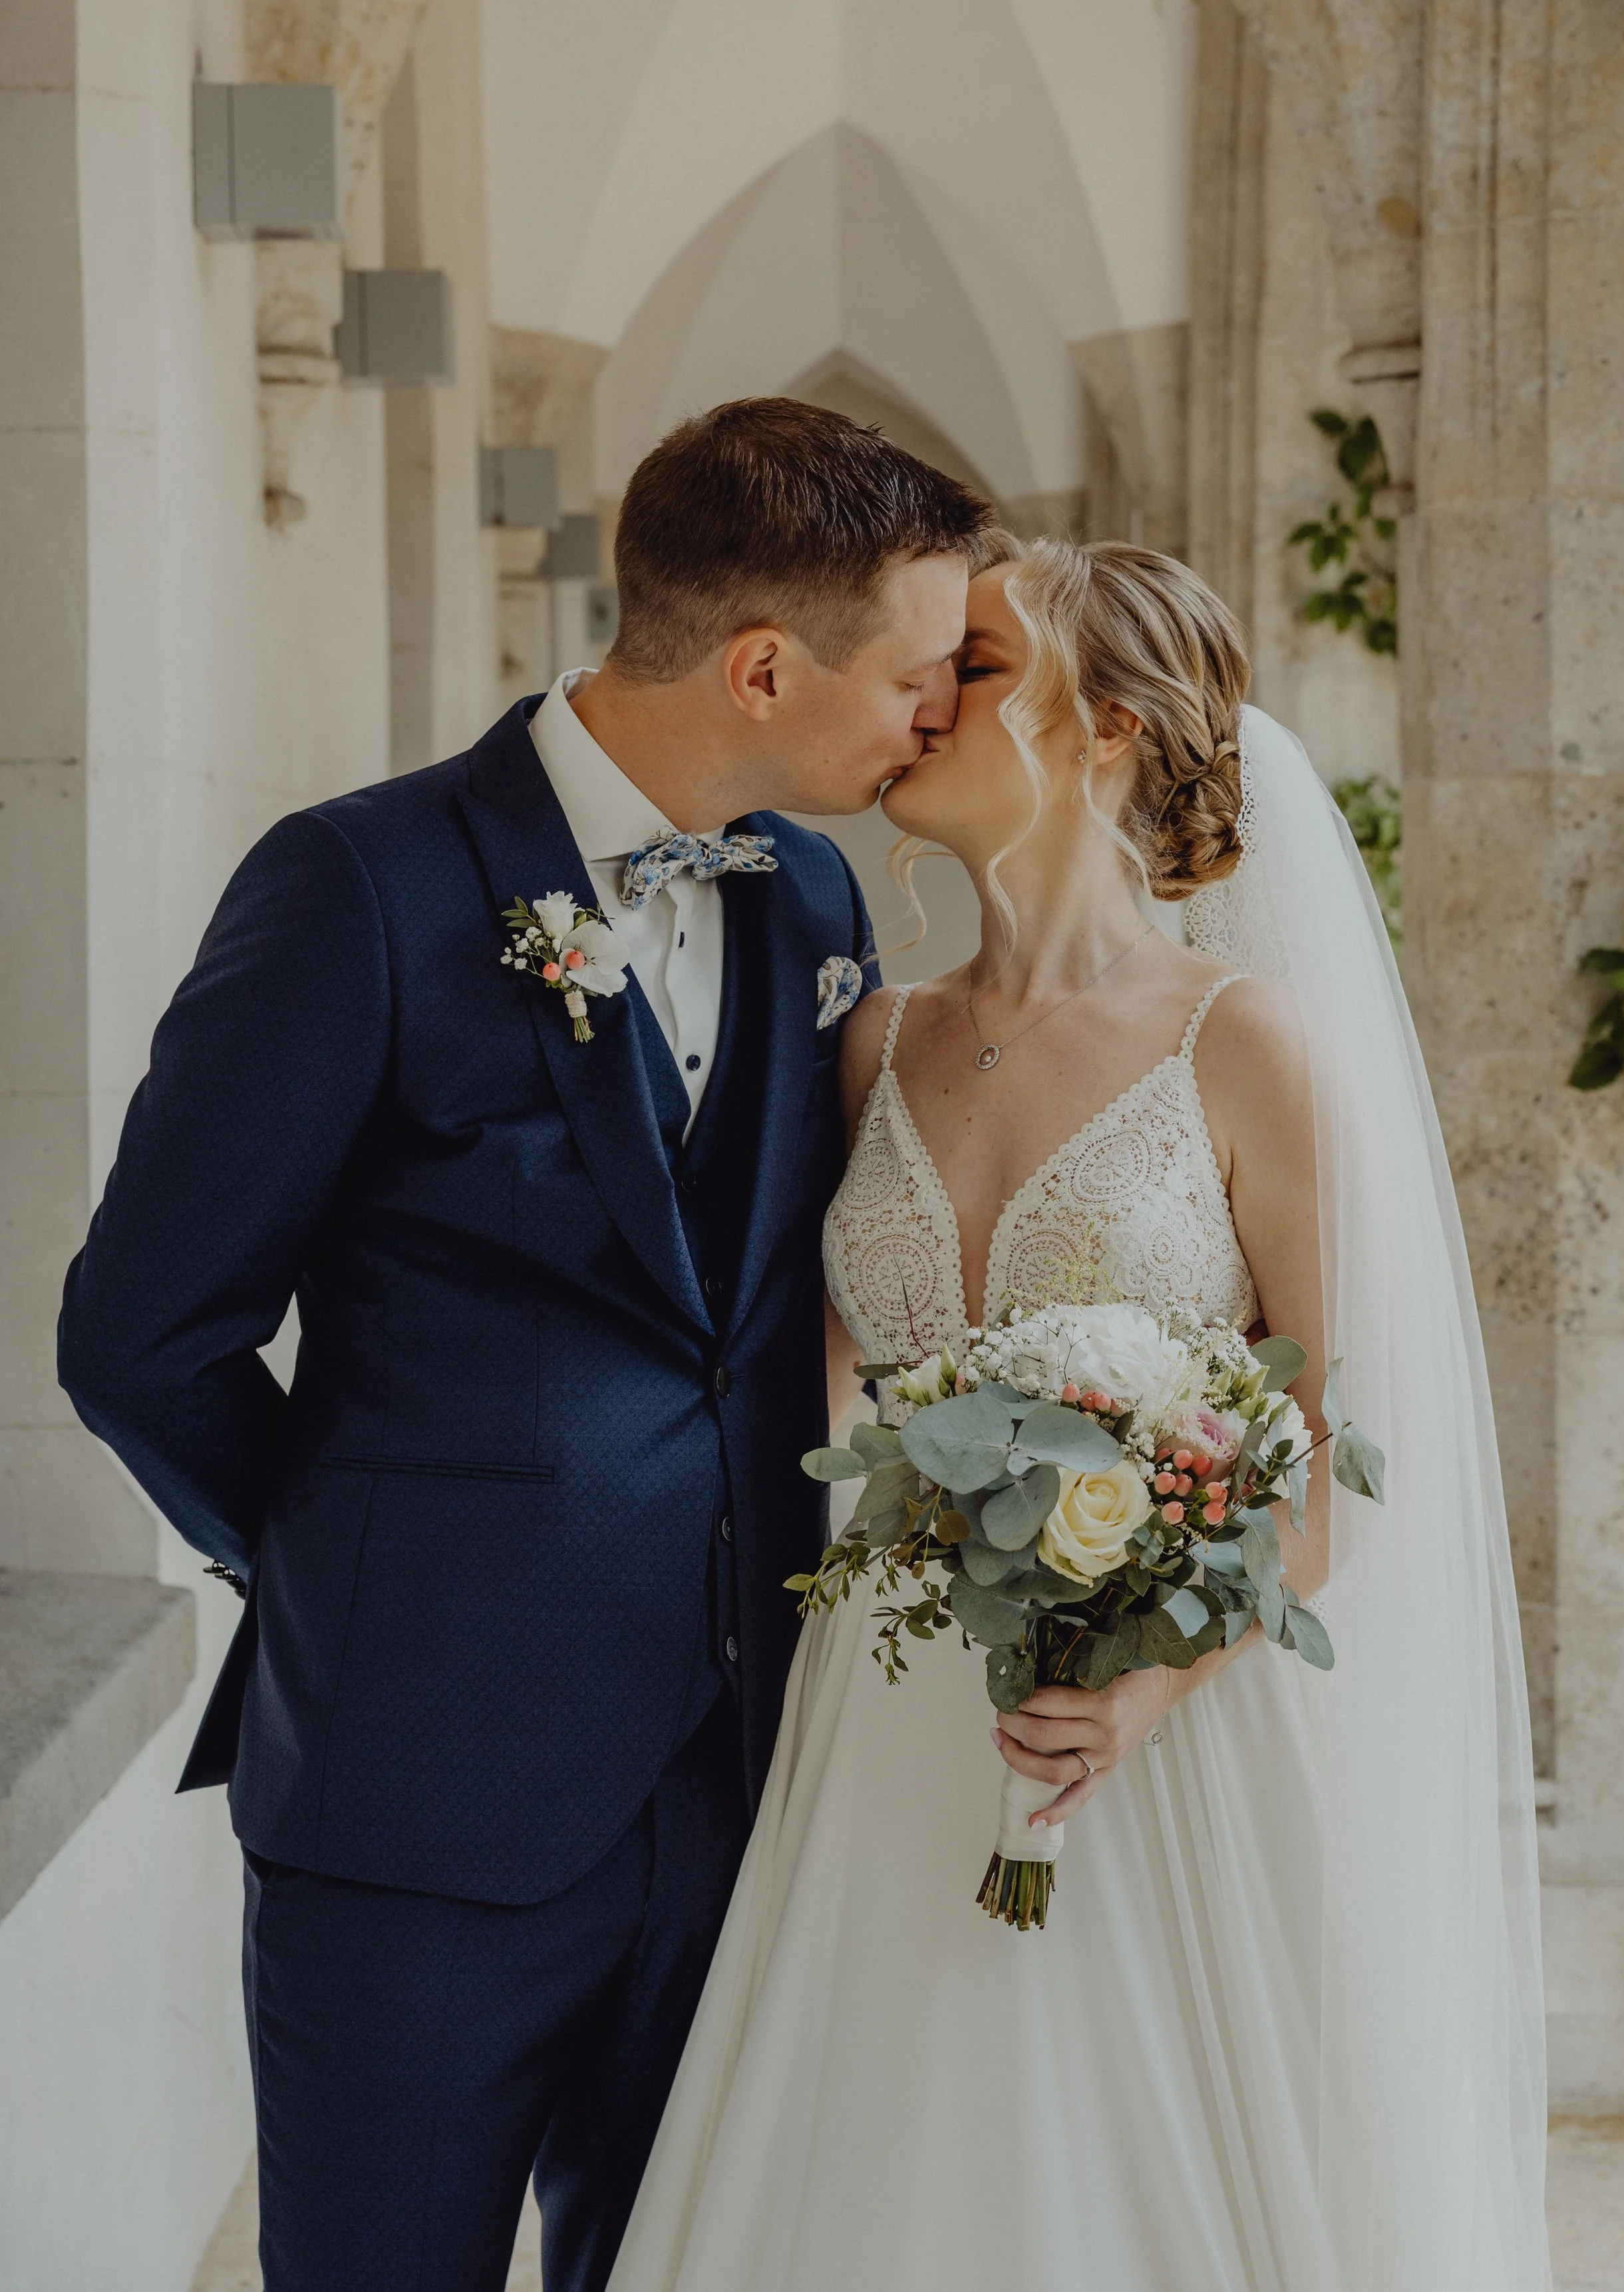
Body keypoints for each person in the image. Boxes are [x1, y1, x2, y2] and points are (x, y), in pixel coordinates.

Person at [55, 401, 993, 2292]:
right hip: (418, 1795)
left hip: (740, 1783)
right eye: (911, 670)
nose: (932, 712)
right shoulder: (360, 887)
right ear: (758, 665)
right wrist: (347, 1577)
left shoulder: (810, 892)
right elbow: (141, 1331)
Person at [608, 541, 1551, 2292]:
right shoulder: (873, 1041)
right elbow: (791, 1401)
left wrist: (1143, 1677)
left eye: (968, 665)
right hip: (879, 1731)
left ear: (1100, 729)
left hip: (1149, 1750)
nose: (918, 698)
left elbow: (1342, 1441)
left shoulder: (1243, 1043)